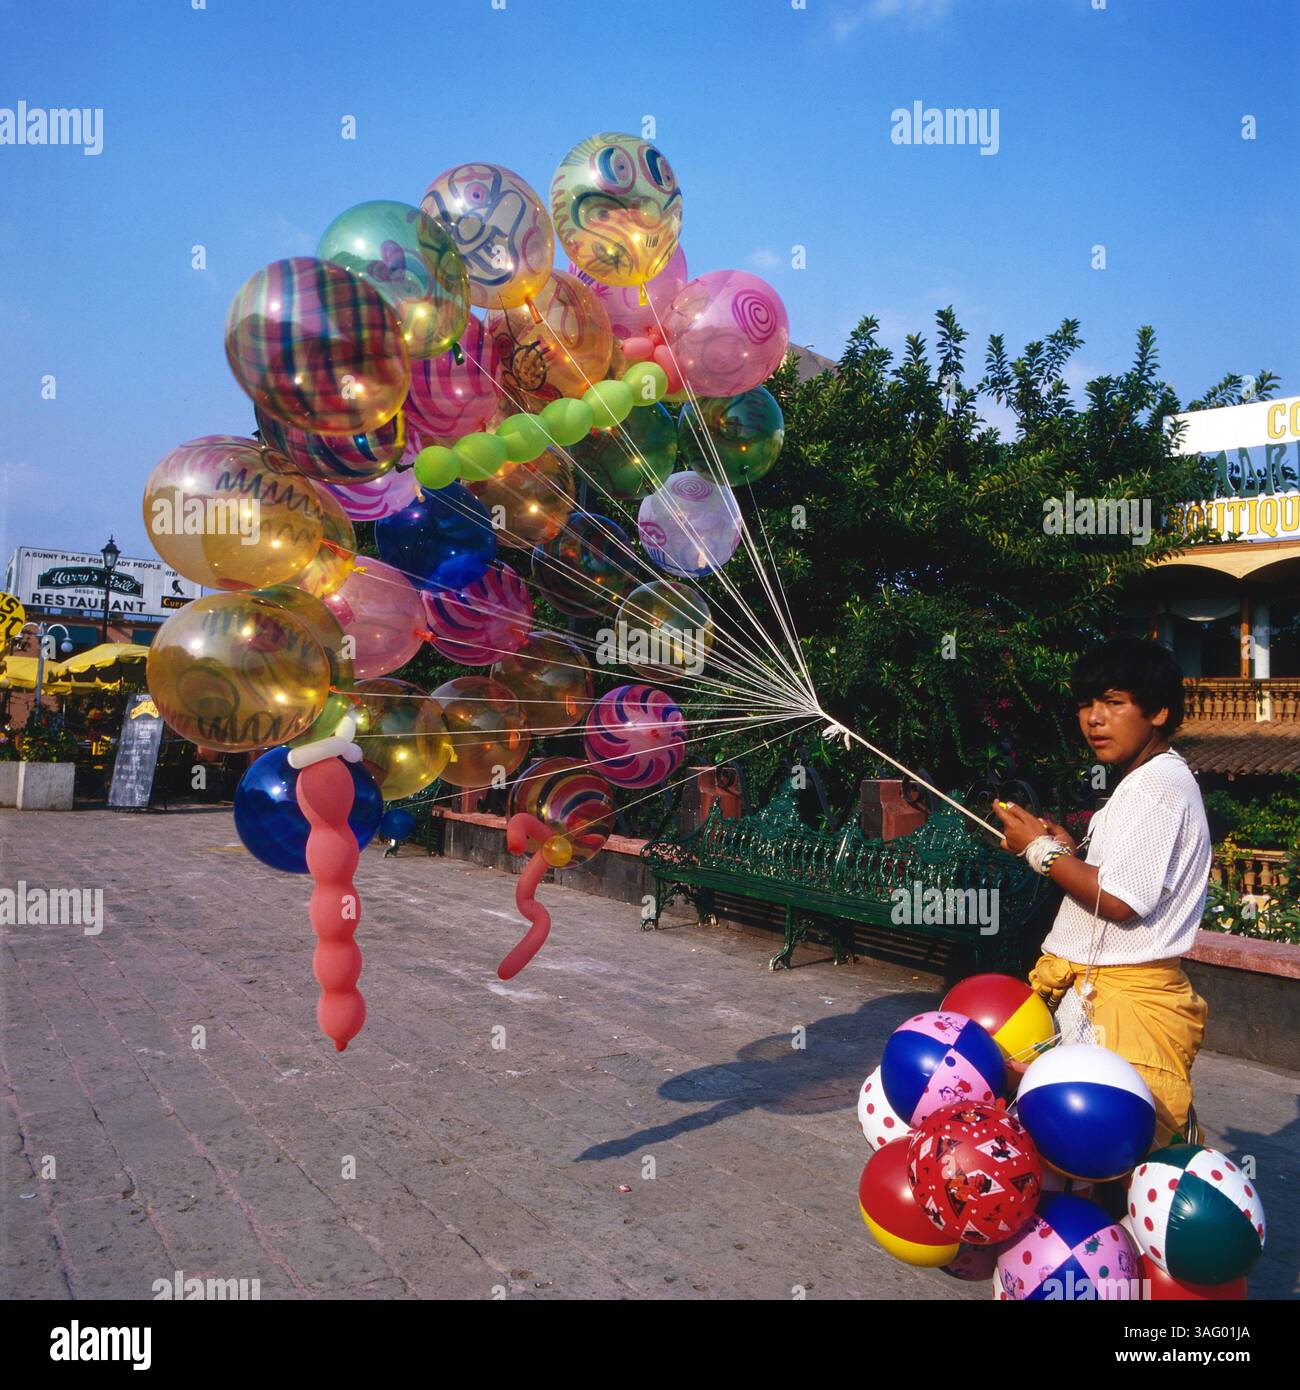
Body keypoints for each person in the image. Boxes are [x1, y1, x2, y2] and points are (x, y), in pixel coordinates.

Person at [993, 637, 1211, 1148]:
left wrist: (1040, 852)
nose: (1094, 719)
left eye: (1114, 703)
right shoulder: (1145, 781)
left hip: (1123, 1008)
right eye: (1087, 704)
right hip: (1102, 996)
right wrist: (1065, 851)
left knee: (1113, 1157)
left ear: (1157, 711)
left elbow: (1119, 900)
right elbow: (1115, 880)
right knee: (1082, 1147)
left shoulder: (1155, 786)